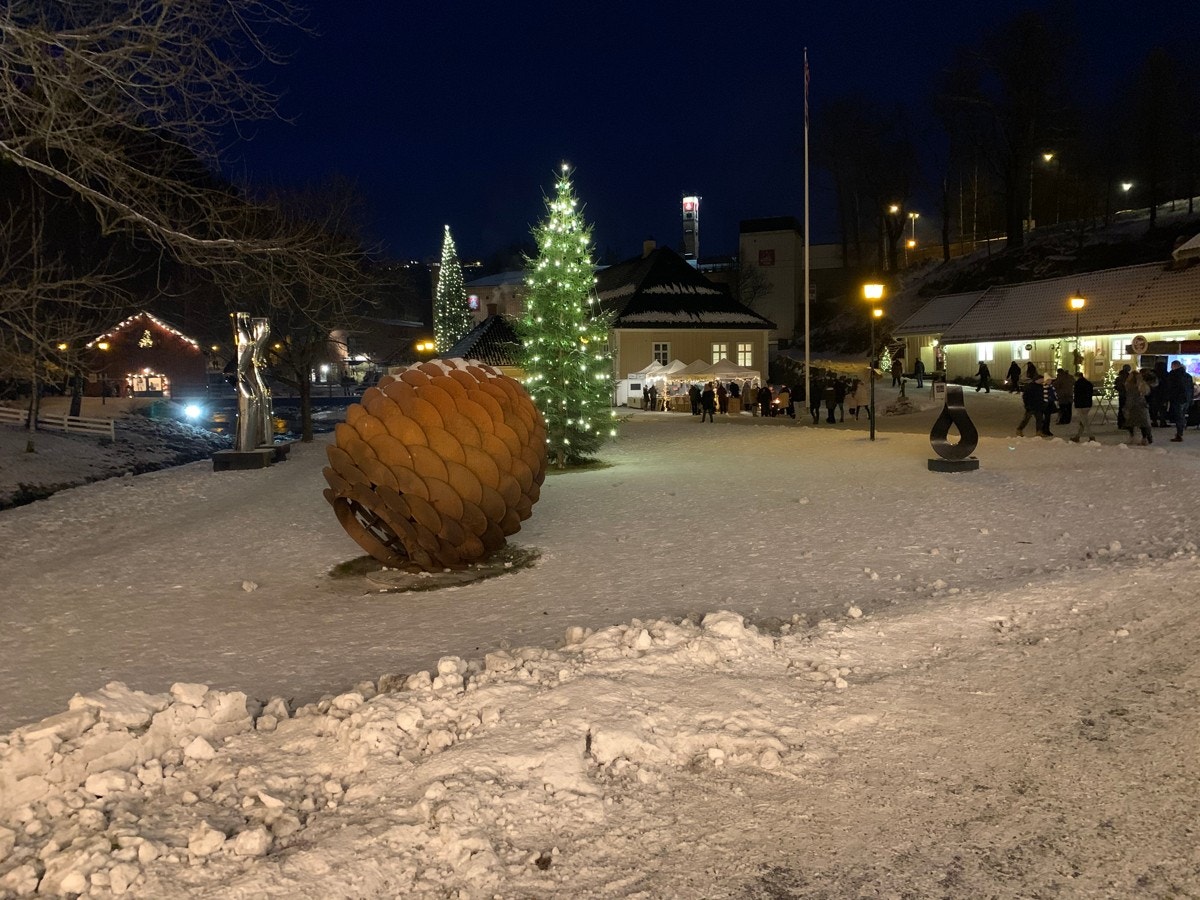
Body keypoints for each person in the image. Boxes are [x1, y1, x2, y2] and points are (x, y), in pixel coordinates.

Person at [1167, 360, 1195, 442]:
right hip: (1186, 399)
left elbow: (1170, 388)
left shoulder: (1173, 375)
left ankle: (1179, 434)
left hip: (1177, 399)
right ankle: (1180, 431)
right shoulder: (1188, 376)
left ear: (1174, 366)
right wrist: (1191, 398)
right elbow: (1191, 388)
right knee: (1181, 415)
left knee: (1178, 416)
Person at [1123, 369, 1153, 445]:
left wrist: (1127, 408)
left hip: (1133, 407)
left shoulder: (1130, 387)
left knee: (1131, 423)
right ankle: (1145, 438)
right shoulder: (1143, 385)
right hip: (1142, 406)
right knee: (1144, 424)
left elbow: (1130, 398)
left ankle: (1133, 437)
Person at [1070, 370, 1095, 443]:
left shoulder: (1077, 384)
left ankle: (1091, 436)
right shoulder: (1088, 383)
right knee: (1083, 421)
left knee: (1084, 421)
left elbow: (1076, 395)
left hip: (1080, 405)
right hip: (1088, 404)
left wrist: (1075, 403)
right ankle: (1077, 436)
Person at [1150, 360, 1170, 426]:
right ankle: (1162, 421)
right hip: (1163, 394)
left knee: (1154, 408)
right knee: (1163, 409)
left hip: (1154, 394)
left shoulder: (1153, 374)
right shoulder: (1166, 374)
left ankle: (1154, 421)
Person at [1114, 364, 1131, 429]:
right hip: (1127, 395)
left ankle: (1120, 423)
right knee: (1126, 409)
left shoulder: (1119, 377)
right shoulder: (1128, 377)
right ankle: (1125, 423)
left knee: (1121, 409)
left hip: (1121, 395)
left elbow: (1116, 386)